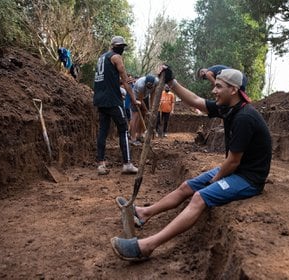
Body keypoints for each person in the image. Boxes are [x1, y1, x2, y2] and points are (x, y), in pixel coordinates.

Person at [110, 66, 272, 261]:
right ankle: (144, 213)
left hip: (248, 178)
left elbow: (233, 160)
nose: (214, 90)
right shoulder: (228, 108)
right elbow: (195, 101)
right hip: (236, 169)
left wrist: (216, 180)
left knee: (199, 198)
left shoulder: (244, 118)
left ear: (234, 90)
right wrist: (172, 81)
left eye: (218, 87)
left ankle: (147, 246)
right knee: (187, 186)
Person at [93, 36, 140, 175]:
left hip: (100, 99)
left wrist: (119, 81)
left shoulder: (102, 58)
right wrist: (133, 99)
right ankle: (127, 163)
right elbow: (126, 82)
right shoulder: (116, 57)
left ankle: (100, 165)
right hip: (113, 100)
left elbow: (108, 78)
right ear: (113, 46)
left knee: (103, 131)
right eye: (120, 46)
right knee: (123, 129)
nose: (122, 49)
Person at [129, 74, 159, 145]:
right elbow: (140, 99)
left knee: (143, 116)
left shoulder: (157, 82)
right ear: (146, 83)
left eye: (151, 86)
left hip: (145, 97)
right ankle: (132, 138)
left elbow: (152, 94)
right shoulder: (141, 85)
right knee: (135, 116)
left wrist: (151, 109)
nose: (150, 87)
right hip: (135, 97)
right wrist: (146, 110)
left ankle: (139, 135)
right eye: (148, 85)